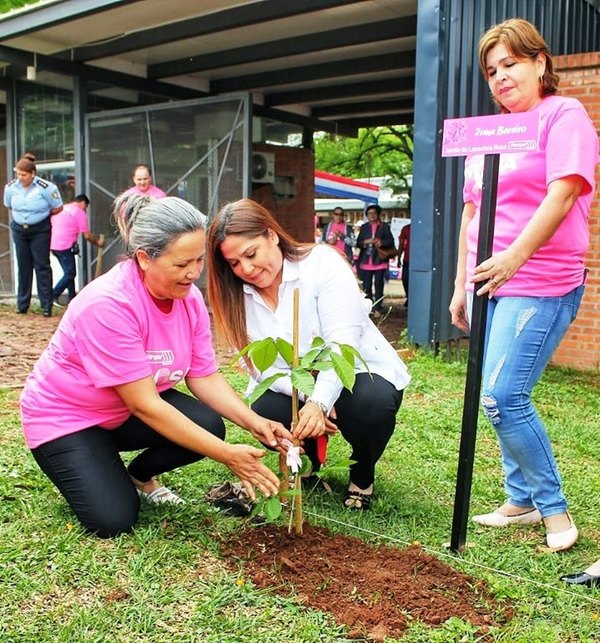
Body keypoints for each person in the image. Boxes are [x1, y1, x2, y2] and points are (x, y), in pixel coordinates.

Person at [20, 194, 293, 538]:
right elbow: (145, 405)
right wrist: (227, 456)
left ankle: (136, 476)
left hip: (120, 413)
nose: (193, 274)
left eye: (198, 261)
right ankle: (90, 460)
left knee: (207, 425)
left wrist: (255, 422)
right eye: (181, 265)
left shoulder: (188, 298)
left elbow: (204, 375)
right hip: (68, 418)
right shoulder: (108, 305)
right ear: (145, 258)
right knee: (114, 520)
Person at [449, 18, 598, 552]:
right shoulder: (490, 132)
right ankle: (521, 500)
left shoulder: (564, 115)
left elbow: (563, 194)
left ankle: (553, 509)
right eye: (492, 70)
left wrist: (513, 256)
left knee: (502, 395)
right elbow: (472, 212)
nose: (501, 77)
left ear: (540, 62)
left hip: (541, 279)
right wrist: (462, 283)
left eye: (511, 63)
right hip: (493, 281)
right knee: (498, 390)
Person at [206, 198, 410, 510]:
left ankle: (363, 472)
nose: (246, 269)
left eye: (251, 254)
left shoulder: (321, 264)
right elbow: (263, 370)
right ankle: (310, 463)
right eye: (234, 263)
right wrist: (309, 399)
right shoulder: (238, 297)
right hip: (293, 385)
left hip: (356, 373)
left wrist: (320, 403)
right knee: (264, 408)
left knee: (372, 404)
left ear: (271, 235)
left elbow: (343, 345)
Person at [4, 153, 63, 316]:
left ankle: (46, 305)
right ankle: (22, 304)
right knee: (23, 266)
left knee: (42, 265)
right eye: (18, 174)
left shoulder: (46, 188)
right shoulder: (11, 187)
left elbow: (58, 207)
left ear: (32, 174)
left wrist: (40, 215)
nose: (20, 178)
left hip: (40, 230)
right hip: (20, 229)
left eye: (23, 175)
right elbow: (8, 205)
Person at [50, 194, 105, 306]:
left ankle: (72, 298)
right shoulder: (79, 212)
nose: (85, 209)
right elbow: (87, 236)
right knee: (70, 273)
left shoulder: (62, 208)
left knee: (68, 271)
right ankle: (53, 295)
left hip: (54, 245)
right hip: (65, 246)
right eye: (86, 207)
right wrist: (98, 243)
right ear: (83, 203)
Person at [356, 204, 395, 318]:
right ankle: (368, 308)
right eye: (369, 213)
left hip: (379, 261)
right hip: (365, 261)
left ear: (378, 214)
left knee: (379, 285)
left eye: (374, 213)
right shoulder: (364, 227)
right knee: (366, 286)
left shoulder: (384, 227)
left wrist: (380, 242)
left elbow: (391, 242)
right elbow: (358, 242)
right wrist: (366, 241)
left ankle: (378, 308)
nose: (371, 215)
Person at [398, 222, 411, 306]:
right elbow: (401, 245)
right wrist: (398, 258)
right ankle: (409, 297)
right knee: (405, 279)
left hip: (417, 259)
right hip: (407, 259)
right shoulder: (406, 228)